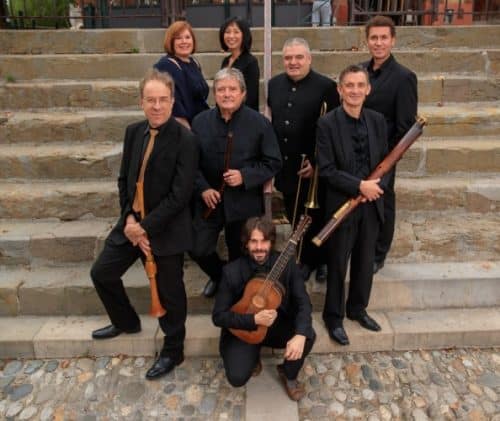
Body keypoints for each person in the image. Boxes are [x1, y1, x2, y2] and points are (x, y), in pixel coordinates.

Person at [90, 68, 199, 379]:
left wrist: (145, 228)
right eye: (150, 100)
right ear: (141, 102)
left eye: (163, 99)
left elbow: (180, 197)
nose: (157, 106)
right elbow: (125, 179)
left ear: (172, 101)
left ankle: (173, 351)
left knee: (171, 293)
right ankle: (126, 321)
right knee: (102, 273)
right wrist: (128, 218)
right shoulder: (133, 131)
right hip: (131, 223)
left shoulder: (186, 140)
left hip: (165, 229)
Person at [190, 68, 282, 298]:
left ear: (243, 93)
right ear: (214, 94)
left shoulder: (259, 123)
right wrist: (203, 188)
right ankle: (221, 276)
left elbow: (273, 162)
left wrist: (245, 176)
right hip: (209, 202)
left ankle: (235, 288)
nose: (227, 94)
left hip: (244, 203)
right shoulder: (200, 122)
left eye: (232, 89)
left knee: (240, 252)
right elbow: (189, 164)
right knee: (197, 248)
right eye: (221, 89)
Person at [316, 64, 388, 346]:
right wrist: (360, 186)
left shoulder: (378, 120)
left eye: (360, 85)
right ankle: (333, 317)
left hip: (371, 204)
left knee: (364, 260)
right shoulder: (327, 124)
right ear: (340, 89)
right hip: (341, 206)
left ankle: (358, 309)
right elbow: (327, 169)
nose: (355, 90)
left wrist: (376, 188)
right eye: (349, 85)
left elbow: (387, 162)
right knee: (337, 263)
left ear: (368, 89)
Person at [212, 217, 316, 401]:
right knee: (236, 377)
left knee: (307, 334)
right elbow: (218, 317)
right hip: (243, 327)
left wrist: (300, 334)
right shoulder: (232, 271)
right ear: (246, 243)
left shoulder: (288, 264)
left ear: (271, 242)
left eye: (264, 241)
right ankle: (252, 355)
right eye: (254, 241)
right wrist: (253, 320)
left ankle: (288, 373)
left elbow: (303, 302)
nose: (259, 247)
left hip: (275, 324)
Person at [268, 37, 340, 282]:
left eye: (299, 57)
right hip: (287, 167)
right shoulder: (274, 85)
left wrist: (317, 163)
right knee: (295, 213)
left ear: (309, 59)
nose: (293, 62)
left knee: (317, 216)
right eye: (288, 57)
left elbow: (332, 131)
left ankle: (320, 261)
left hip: (315, 167)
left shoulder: (327, 87)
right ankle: (305, 257)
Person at [361, 15, 418, 274]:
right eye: (374, 38)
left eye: (384, 37)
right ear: (367, 41)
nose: (379, 43)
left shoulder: (404, 77)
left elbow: (406, 127)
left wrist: (387, 161)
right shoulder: (361, 72)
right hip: (357, 148)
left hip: (385, 154)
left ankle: (379, 252)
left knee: (383, 203)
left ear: (393, 40)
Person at [154, 20, 209, 129]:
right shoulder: (166, 66)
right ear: (171, 42)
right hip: (183, 129)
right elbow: (175, 109)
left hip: (200, 123)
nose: (184, 41)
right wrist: (190, 138)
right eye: (178, 38)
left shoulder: (194, 63)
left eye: (187, 37)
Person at [219, 16, 260, 111]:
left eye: (236, 32)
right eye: (227, 32)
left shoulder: (251, 62)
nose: (231, 36)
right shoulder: (226, 60)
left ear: (244, 35)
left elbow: (251, 98)